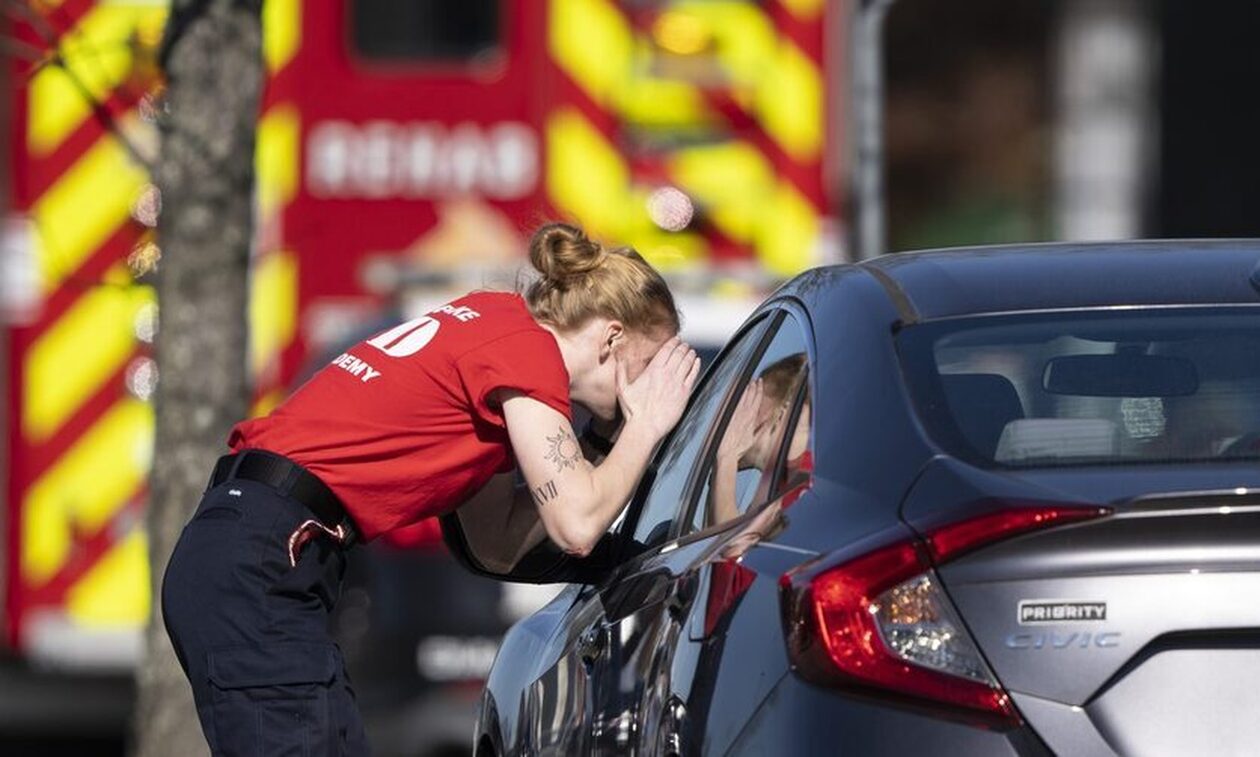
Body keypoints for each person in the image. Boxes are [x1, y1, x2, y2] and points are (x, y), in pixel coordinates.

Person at [161, 222, 700, 756]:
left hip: (254, 548)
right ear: (611, 338)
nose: (658, 389)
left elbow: (496, 545)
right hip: (261, 556)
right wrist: (645, 426)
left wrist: (605, 446)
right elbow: (578, 525)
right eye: (653, 367)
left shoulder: (497, 332)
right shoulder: (528, 355)